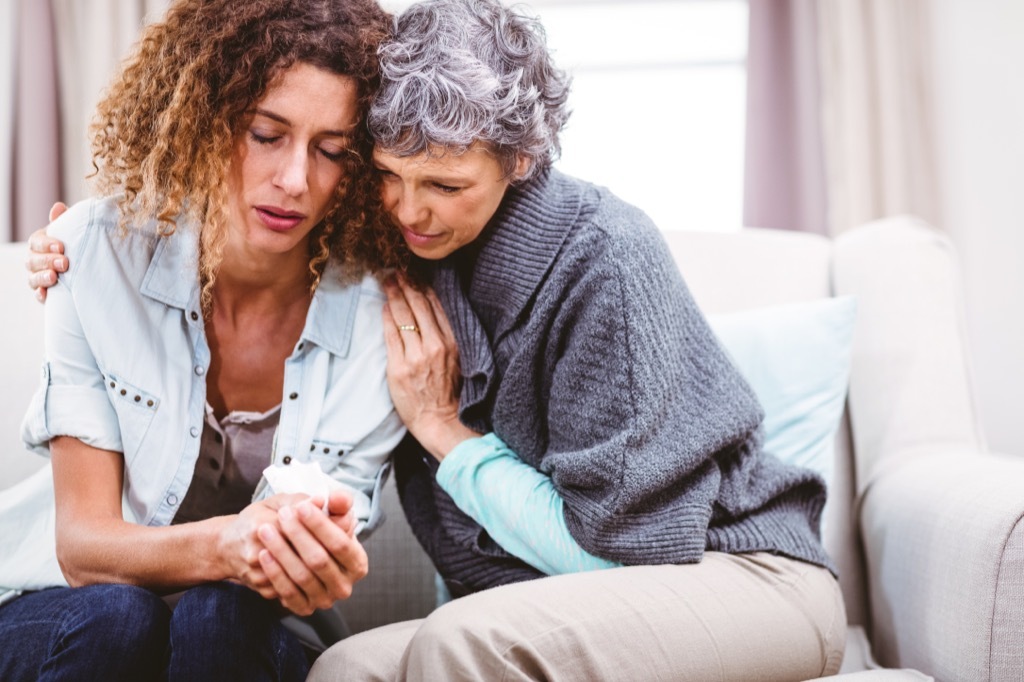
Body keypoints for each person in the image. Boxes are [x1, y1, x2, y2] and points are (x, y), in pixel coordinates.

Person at [27, 0, 847, 680]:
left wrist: (442, 433)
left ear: (522, 161)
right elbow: (164, 221)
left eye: (445, 185)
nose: (411, 212)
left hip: (719, 573)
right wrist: (82, 238)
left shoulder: (600, 261)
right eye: (386, 175)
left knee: (449, 642)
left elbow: (626, 558)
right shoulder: (404, 258)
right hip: (557, 597)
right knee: (341, 670)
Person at [1, 0, 404, 680]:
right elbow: (83, 547)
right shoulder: (96, 258)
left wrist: (301, 553)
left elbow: (314, 547)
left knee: (218, 611)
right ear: (204, 121)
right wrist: (233, 541)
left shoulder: (379, 319)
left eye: (332, 151)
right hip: (63, 606)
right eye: (265, 134)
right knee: (118, 615)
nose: (295, 180)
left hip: (242, 629)